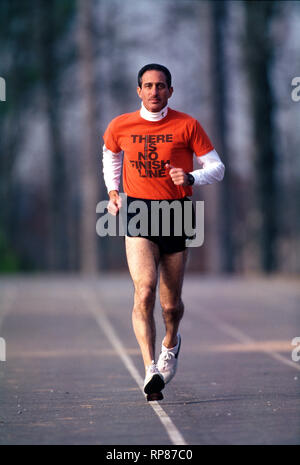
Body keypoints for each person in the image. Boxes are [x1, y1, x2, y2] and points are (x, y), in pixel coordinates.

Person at [102, 63, 225, 400]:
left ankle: (171, 344)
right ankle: (150, 367)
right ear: (138, 90)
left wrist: (192, 178)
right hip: (139, 211)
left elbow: (217, 167)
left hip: (177, 212)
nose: (154, 92)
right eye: (148, 86)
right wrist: (113, 191)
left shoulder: (188, 125)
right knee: (144, 290)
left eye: (160, 86)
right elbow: (111, 156)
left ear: (170, 90)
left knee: (170, 305)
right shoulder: (120, 125)